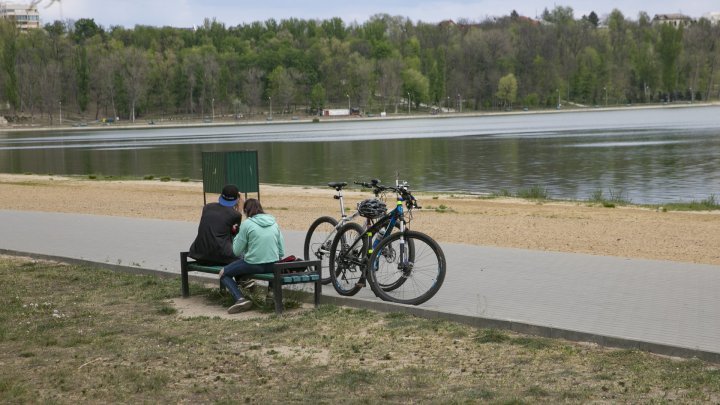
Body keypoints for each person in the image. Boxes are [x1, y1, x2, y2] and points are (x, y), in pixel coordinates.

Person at [221, 198, 285, 314]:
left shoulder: (247, 224)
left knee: (223, 273)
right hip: (273, 266)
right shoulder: (274, 223)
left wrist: (236, 235)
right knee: (273, 259)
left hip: (253, 264)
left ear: (246, 211)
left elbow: (236, 251)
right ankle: (271, 294)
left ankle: (240, 299)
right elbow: (281, 251)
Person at [188, 184, 243, 265]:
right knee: (246, 256)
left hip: (198, 253)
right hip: (221, 256)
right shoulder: (235, 215)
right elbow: (235, 234)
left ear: (221, 196)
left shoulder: (207, 207)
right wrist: (240, 209)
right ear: (237, 199)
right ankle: (231, 278)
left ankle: (230, 277)